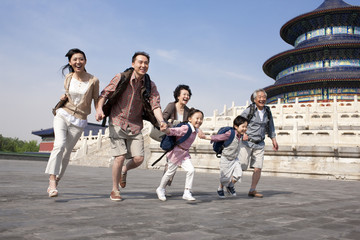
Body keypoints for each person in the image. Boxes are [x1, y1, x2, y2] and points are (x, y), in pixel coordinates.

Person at [95, 51, 167, 201]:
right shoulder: (121, 77)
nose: (143, 65)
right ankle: (115, 189)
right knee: (120, 156)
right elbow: (104, 94)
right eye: (140, 62)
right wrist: (99, 109)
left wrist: (161, 121)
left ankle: (124, 170)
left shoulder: (150, 85)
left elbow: (156, 106)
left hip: (135, 125)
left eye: (146, 63)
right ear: (133, 63)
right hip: (117, 121)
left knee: (139, 158)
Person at [45, 48, 100, 197]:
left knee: (66, 153)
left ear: (85, 61)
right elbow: (68, 95)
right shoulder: (68, 77)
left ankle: (57, 180)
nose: (78, 62)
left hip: (79, 119)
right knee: (59, 145)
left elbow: (96, 98)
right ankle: (51, 181)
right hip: (63, 114)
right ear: (70, 62)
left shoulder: (93, 80)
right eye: (75, 59)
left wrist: (99, 111)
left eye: (81, 59)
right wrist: (63, 97)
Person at [156, 108, 204, 201]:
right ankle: (160, 188)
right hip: (176, 153)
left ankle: (187, 192)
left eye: (201, 119)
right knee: (170, 172)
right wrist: (165, 130)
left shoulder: (195, 129)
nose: (199, 120)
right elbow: (174, 131)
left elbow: (199, 131)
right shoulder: (186, 128)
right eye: (197, 118)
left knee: (191, 170)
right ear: (190, 119)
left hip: (184, 154)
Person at [238, 89, 278, 198]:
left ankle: (252, 189)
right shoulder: (249, 110)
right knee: (241, 166)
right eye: (259, 97)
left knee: (258, 168)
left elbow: (271, 126)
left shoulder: (267, 111)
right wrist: (242, 134)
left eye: (264, 97)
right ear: (255, 99)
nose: (262, 99)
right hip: (247, 143)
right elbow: (238, 122)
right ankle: (227, 184)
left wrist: (274, 139)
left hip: (260, 144)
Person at [199, 116, 248, 198]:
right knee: (225, 177)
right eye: (243, 126)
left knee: (238, 174)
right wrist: (205, 137)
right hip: (226, 158)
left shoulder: (240, 135)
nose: (245, 129)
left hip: (235, 159)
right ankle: (220, 189)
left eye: (246, 127)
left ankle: (230, 185)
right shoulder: (230, 133)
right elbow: (218, 137)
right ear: (236, 126)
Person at [161, 84, 192, 191]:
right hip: (170, 137)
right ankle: (162, 188)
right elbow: (163, 118)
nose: (186, 97)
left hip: (180, 141)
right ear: (178, 96)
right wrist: (169, 124)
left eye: (188, 95)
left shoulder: (188, 111)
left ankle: (163, 186)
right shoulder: (171, 106)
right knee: (171, 164)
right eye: (184, 94)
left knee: (171, 164)